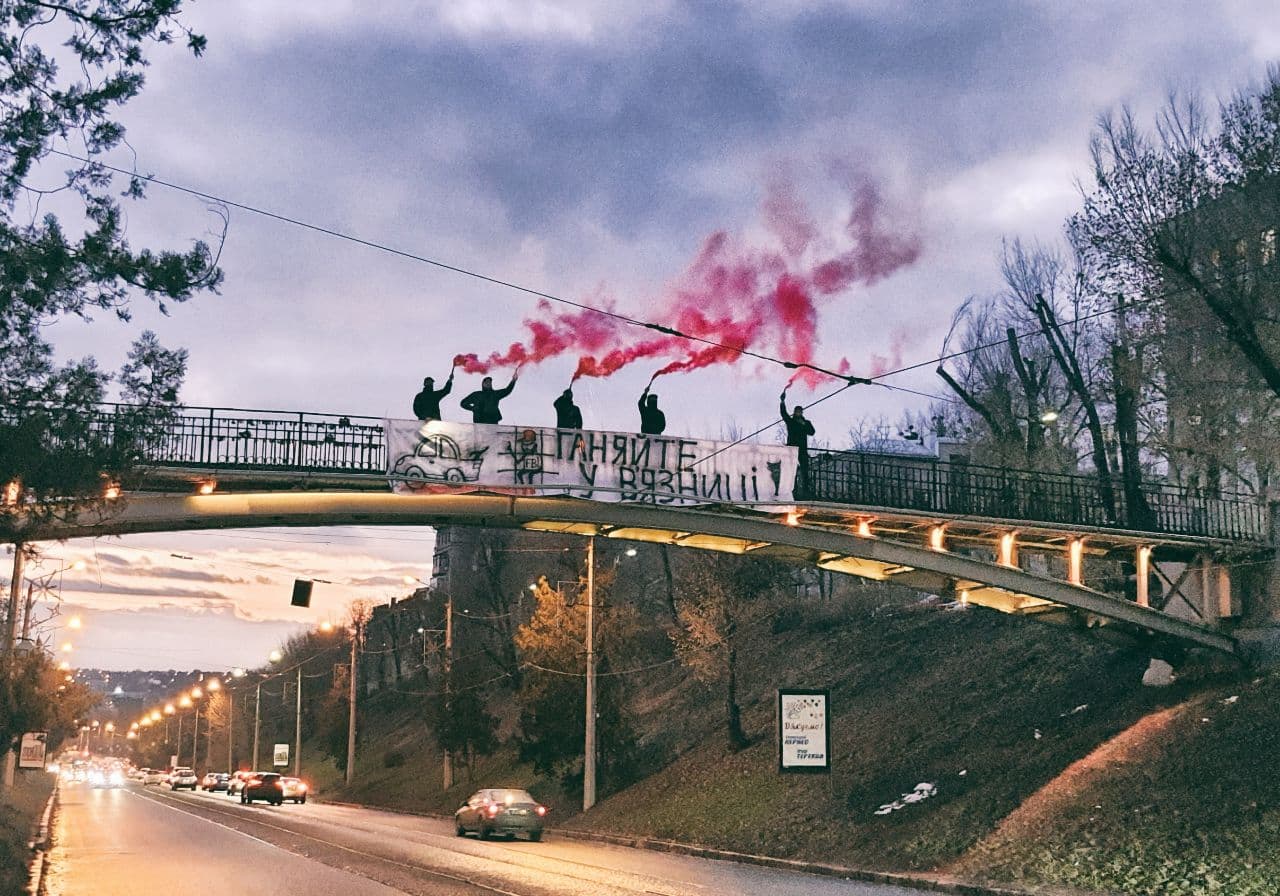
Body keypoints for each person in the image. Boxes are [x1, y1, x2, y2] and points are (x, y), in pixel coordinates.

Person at [780, 391, 816, 497]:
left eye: (800, 411)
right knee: (791, 470)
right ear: (795, 412)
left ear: (802, 413)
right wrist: (782, 402)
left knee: (805, 470)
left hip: (802, 450)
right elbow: (783, 414)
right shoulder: (791, 422)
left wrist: (804, 424)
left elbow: (812, 432)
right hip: (792, 449)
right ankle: (792, 490)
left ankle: (805, 490)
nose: (798, 413)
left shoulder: (806, 423)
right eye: (797, 411)